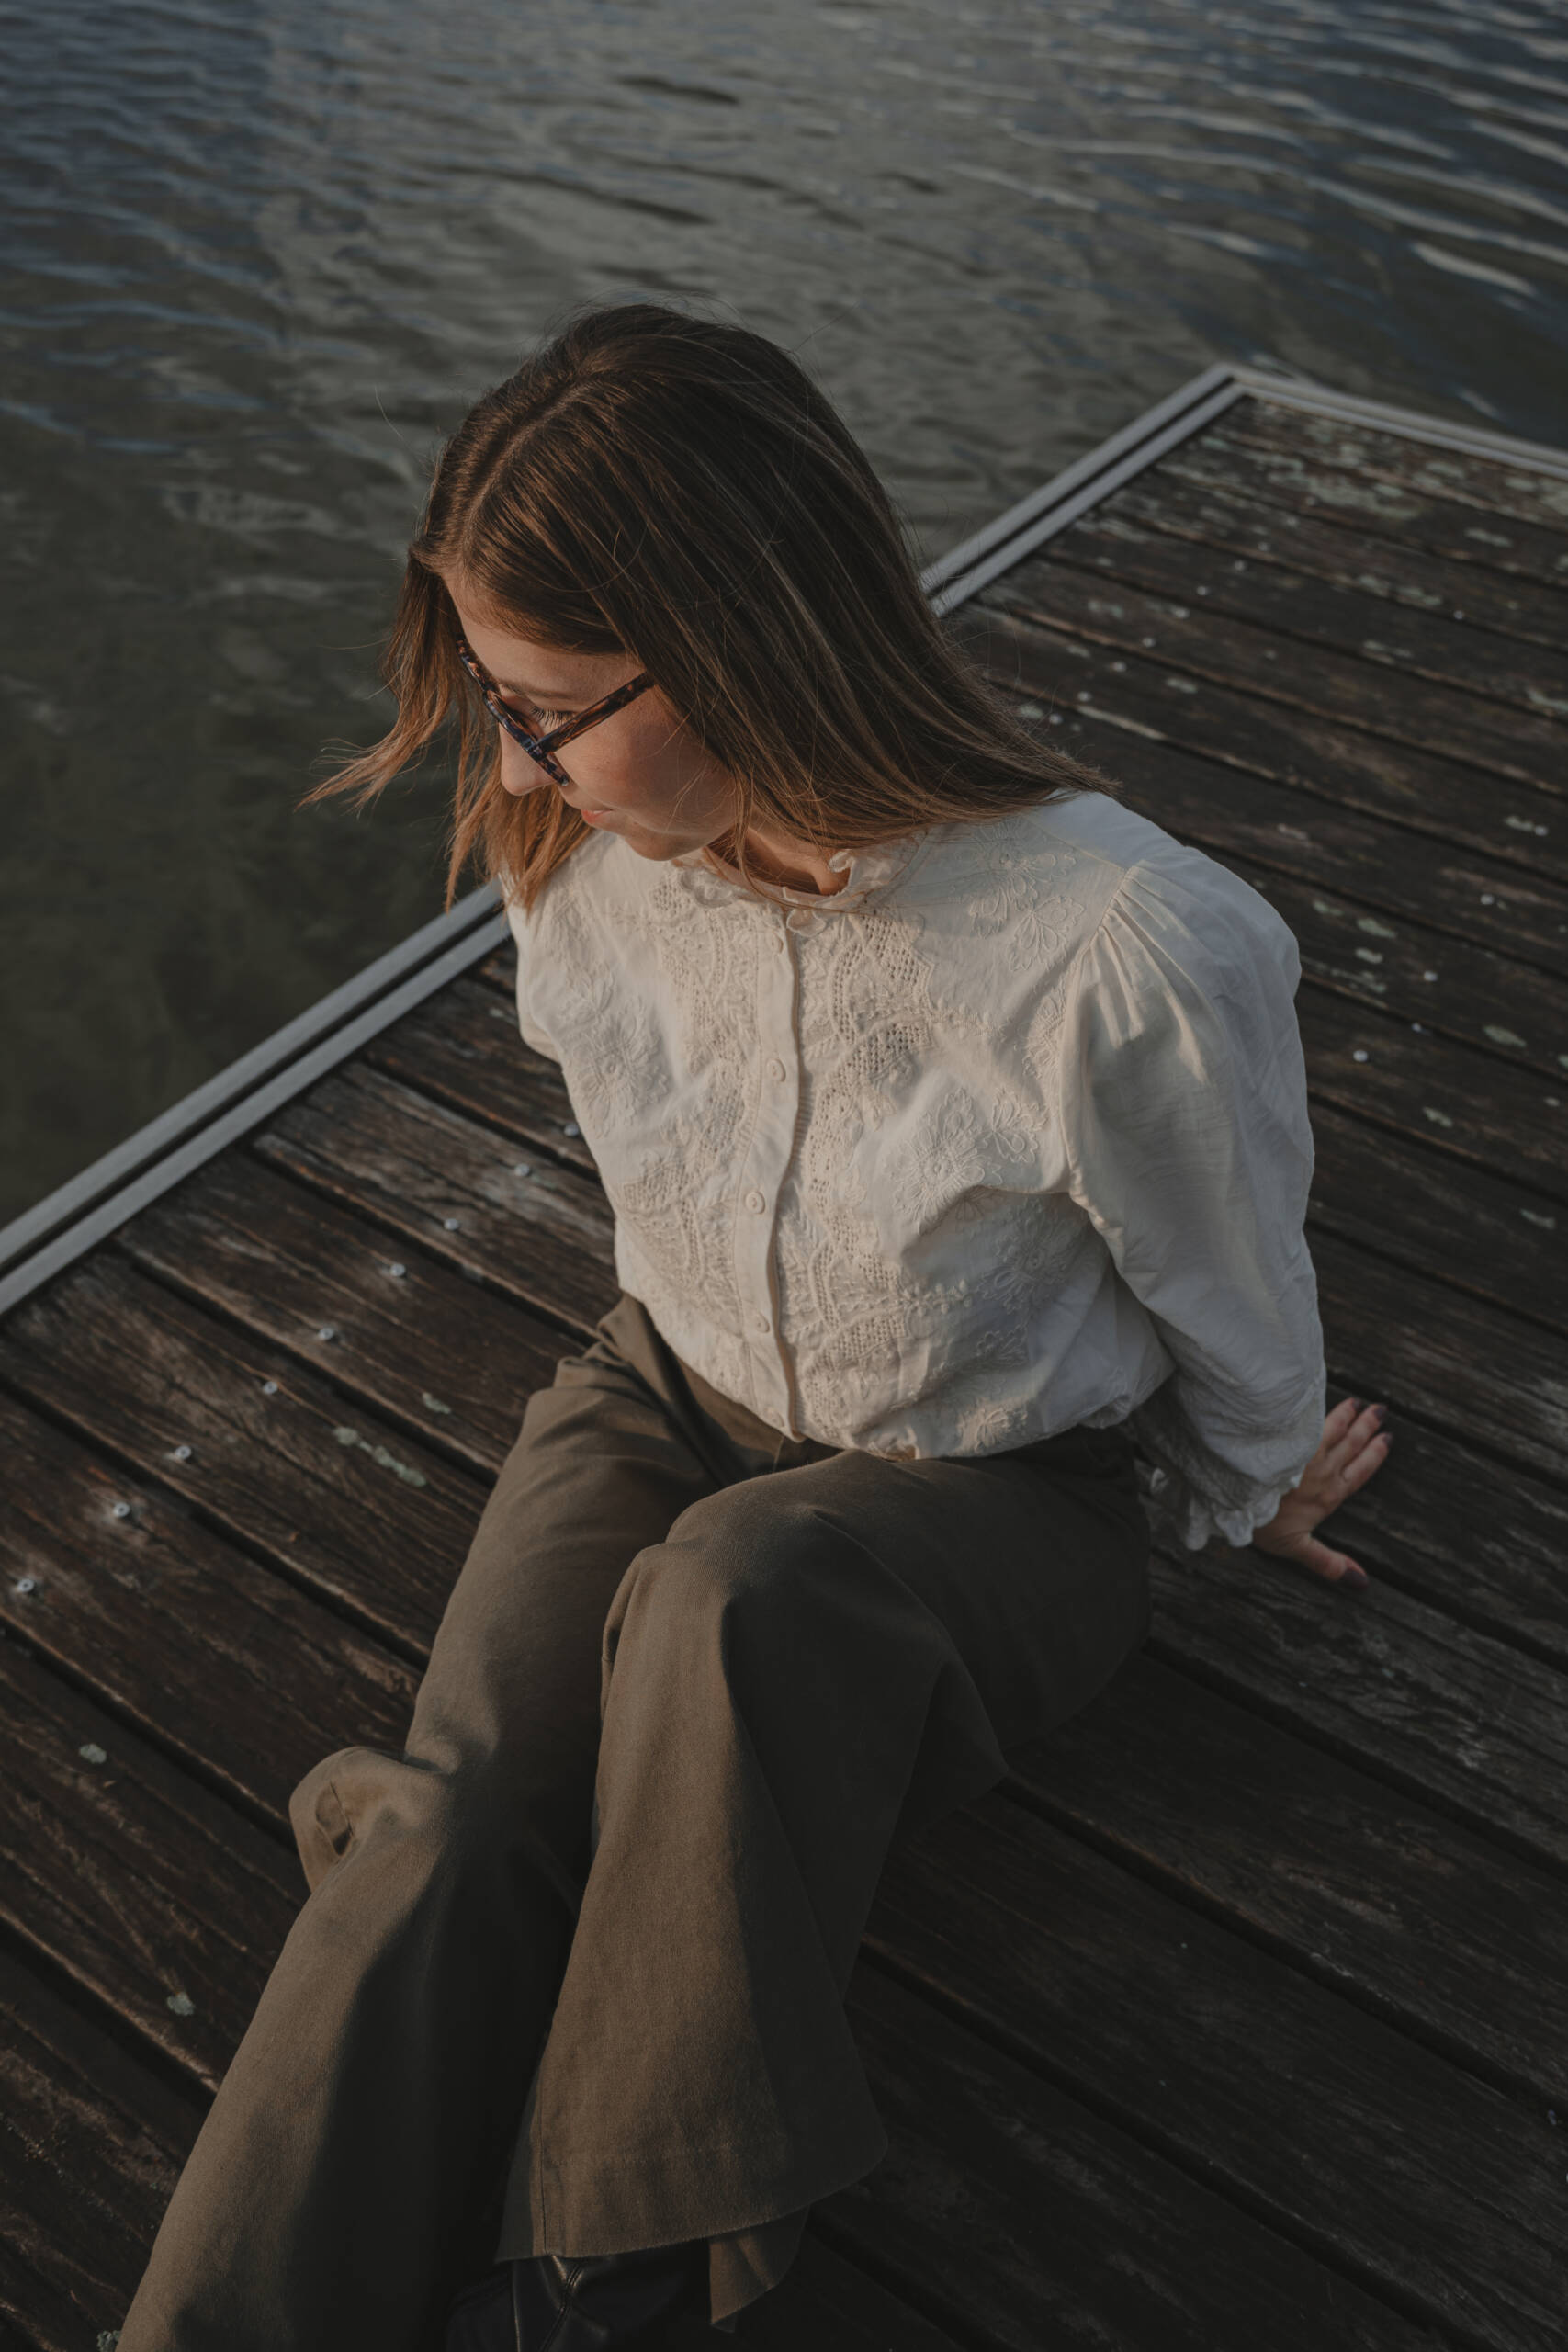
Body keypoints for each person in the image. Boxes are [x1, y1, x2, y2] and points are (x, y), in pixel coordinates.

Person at [117, 302, 1390, 2352]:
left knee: (733, 1594)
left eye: (546, 707)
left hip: (990, 1499)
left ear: (735, 634)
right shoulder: (580, 854)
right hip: (661, 1389)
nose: (507, 762)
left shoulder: (1121, 943)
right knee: (443, 1823)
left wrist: (1256, 1481)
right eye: (493, 702)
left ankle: (592, 2290)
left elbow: (1225, 1270)